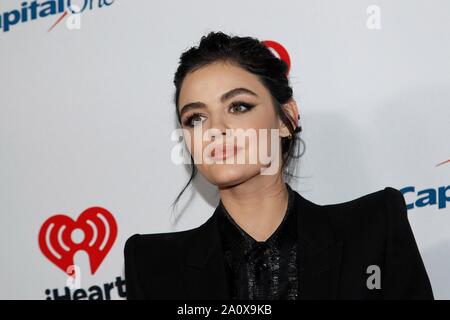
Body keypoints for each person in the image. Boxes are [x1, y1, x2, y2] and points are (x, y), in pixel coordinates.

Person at [124, 31, 433, 300]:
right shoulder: (153, 265)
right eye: (196, 118)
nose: (215, 128)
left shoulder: (373, 230)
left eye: (239, 106)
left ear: (286, 118)